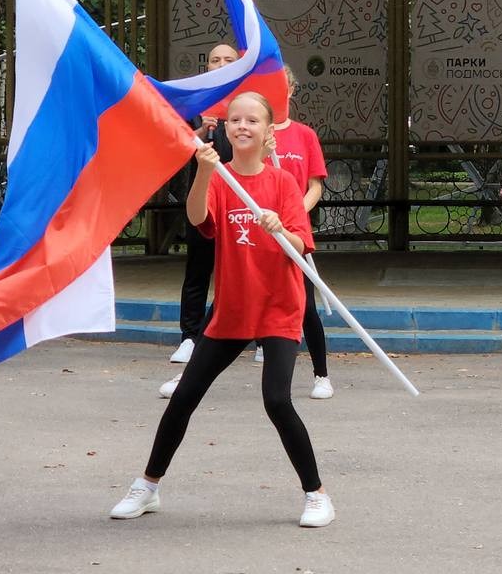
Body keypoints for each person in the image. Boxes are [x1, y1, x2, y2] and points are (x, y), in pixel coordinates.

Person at [111, 91, 335, 527]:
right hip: (231, 310)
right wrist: (203, 171)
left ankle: (317, 495)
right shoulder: (220, 178)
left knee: (276, 400)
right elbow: (199, 219)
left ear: (268, 131)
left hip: (277, 308)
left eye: (252, 120)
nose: (242, 126)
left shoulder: (282, 183)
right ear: (227, 128)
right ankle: (148, 487)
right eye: (235, 120)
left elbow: (300, 243)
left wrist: (277, 227)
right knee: (183, 398)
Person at [163, 44, 237, 389]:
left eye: (229, 60)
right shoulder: (195, 102)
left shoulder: (246, 102)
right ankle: (190, 336)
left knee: (242, 266)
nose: (221, 64)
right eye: (215, 60)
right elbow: (176, 147)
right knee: (198, 268)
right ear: (206, 66)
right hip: (203, 196)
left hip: (240, 200)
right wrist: (201, 131)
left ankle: (256, 336)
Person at [264, 65, 333, 399]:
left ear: (291, 91)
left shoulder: (305, 135)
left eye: (283, 87)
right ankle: (191, 375)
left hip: (293, 231)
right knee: (230, 301)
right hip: (260, 228)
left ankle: (322, 374)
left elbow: (315, 186)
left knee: (305, 305)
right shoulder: (258, 134)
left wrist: (294, 214)